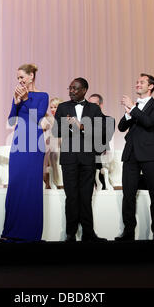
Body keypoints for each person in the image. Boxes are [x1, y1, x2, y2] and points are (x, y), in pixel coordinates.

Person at [53, 78, 108, 242]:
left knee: (86, 196)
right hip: (69, 158)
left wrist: (82, 126)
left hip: (87, 158)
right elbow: (56, 131)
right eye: (70, 88)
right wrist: (70, 126)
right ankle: (70, 233)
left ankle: (88, 233)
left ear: (84, 90)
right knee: (71, 196)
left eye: (75, 89)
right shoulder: (63, 107)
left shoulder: (94, 108)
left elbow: (102, 130)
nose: (71, 91)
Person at [0, 64, 49, 242]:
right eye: (18, 78)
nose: (19, 81)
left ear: (31, 76)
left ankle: (30, 233)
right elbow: (12, 119)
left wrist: (27, 99)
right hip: (19, 142)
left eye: (22, 77)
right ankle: (11, 231)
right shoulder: (18, 96)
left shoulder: (43, 96)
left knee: (31, 186)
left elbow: (38, 116)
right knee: (16, 183)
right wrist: (16, 102)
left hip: (34, 144)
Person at [116, 73, 154, 241]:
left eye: (142, 82)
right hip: (130, 154)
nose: (137, 84)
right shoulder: (134, 106)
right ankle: (128, 231)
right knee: (128, 195)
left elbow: (150, 123)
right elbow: (121, 127)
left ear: (150, 86)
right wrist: (129, 113)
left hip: (149, 154)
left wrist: (133, 108)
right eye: (137, 82)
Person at [87, 94, 115, 190]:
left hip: (98, 153)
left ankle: (99, 183)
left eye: (94, 104)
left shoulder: (109, 120)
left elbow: (106, 137)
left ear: (101, 105)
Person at [41, 97, 62, 188]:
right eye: (51, 107)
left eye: (55, 107)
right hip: (49, 150)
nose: (53, 109)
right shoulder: (48, 119)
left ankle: (60, 185)